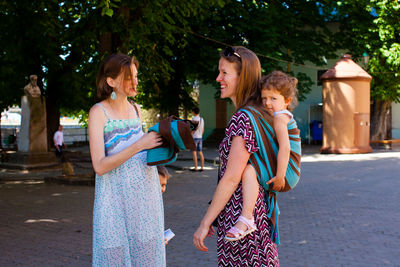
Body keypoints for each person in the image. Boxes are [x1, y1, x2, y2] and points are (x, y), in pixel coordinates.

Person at [193, 46, 279, 266]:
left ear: (243, 77)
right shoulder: (258, 113)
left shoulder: (243, 118)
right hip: (253, 215)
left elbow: (232, 178)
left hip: (240, 220)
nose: (218, 78)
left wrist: (205, 222)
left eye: (224, 73)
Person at [89, 54, 165, 266]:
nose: (135, 81)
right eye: (129, 77)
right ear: (111, 81)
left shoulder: (136, 109)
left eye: (136, 76)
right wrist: (140, 144)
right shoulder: (98, 112)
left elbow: (142, 154)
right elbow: (100, 166)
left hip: (144, 202)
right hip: (113, 203)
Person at [225, 70, 299, 242]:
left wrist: (280, 176)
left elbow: (285, 148)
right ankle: (247, 217)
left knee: (250, 170)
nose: (267, 103)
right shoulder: (278, 116)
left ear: (287, 101)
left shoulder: (280, 118)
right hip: (285, 169)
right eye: (264, 98)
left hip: (287, 172)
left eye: (273, 99)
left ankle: (247, 218)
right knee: (250, 169)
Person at [191, 107, 205, 171]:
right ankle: (202, 167)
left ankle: (196, 167)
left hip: (194, 137)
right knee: (200, 152)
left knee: (194, 152)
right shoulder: (202, 119)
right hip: (200, 137)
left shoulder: (193, 119)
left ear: (193, 112)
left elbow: (192, 129)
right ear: (199, 112)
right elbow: (203, 129)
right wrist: (201, 135)